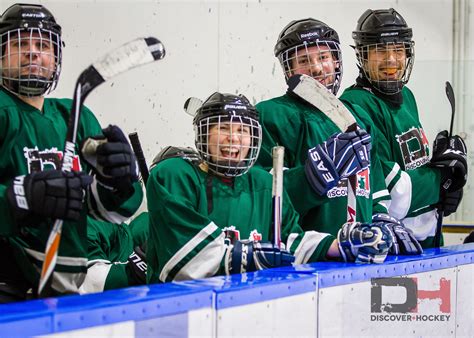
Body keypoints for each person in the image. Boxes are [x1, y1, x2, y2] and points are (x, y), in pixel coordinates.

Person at [146, 92, 394, 284]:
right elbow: (183, 260)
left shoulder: (263, 181)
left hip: (249, 308)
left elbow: (288, 241)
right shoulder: (174, 175)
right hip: (182, 315)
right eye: (222, 128)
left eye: (243, 130)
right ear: (203, 135)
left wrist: (339, 245)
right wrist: (248, 256)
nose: (234, 138)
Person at [0, 3, 142, 302]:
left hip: (64, 289)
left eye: (43, 45)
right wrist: (18, 197)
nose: (33, 52)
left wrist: (118, 184)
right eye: (20, 43)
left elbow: (107, 213)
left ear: (56, 56)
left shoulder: (74, 116)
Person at [255, 18, 420, 256]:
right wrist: (311, 177)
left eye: (323, 57)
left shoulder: (357, 117)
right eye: (303, 60)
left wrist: (382, 221)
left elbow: (372, 190)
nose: (316, 68)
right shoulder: (271, 115)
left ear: (336, 61)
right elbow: (260, 197)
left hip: (360, 256)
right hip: (306, 261)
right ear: (289, 69)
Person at [340, 8, 467, 247]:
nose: (391, 60)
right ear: (362, 56)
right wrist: (440, 180)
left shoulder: (407, 96)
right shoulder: (355, 105)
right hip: (392, 246)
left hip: (428, 241)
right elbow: (389, 193)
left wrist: (446, 191)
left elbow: (412, 168)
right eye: (380, 50)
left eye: (398, 50)